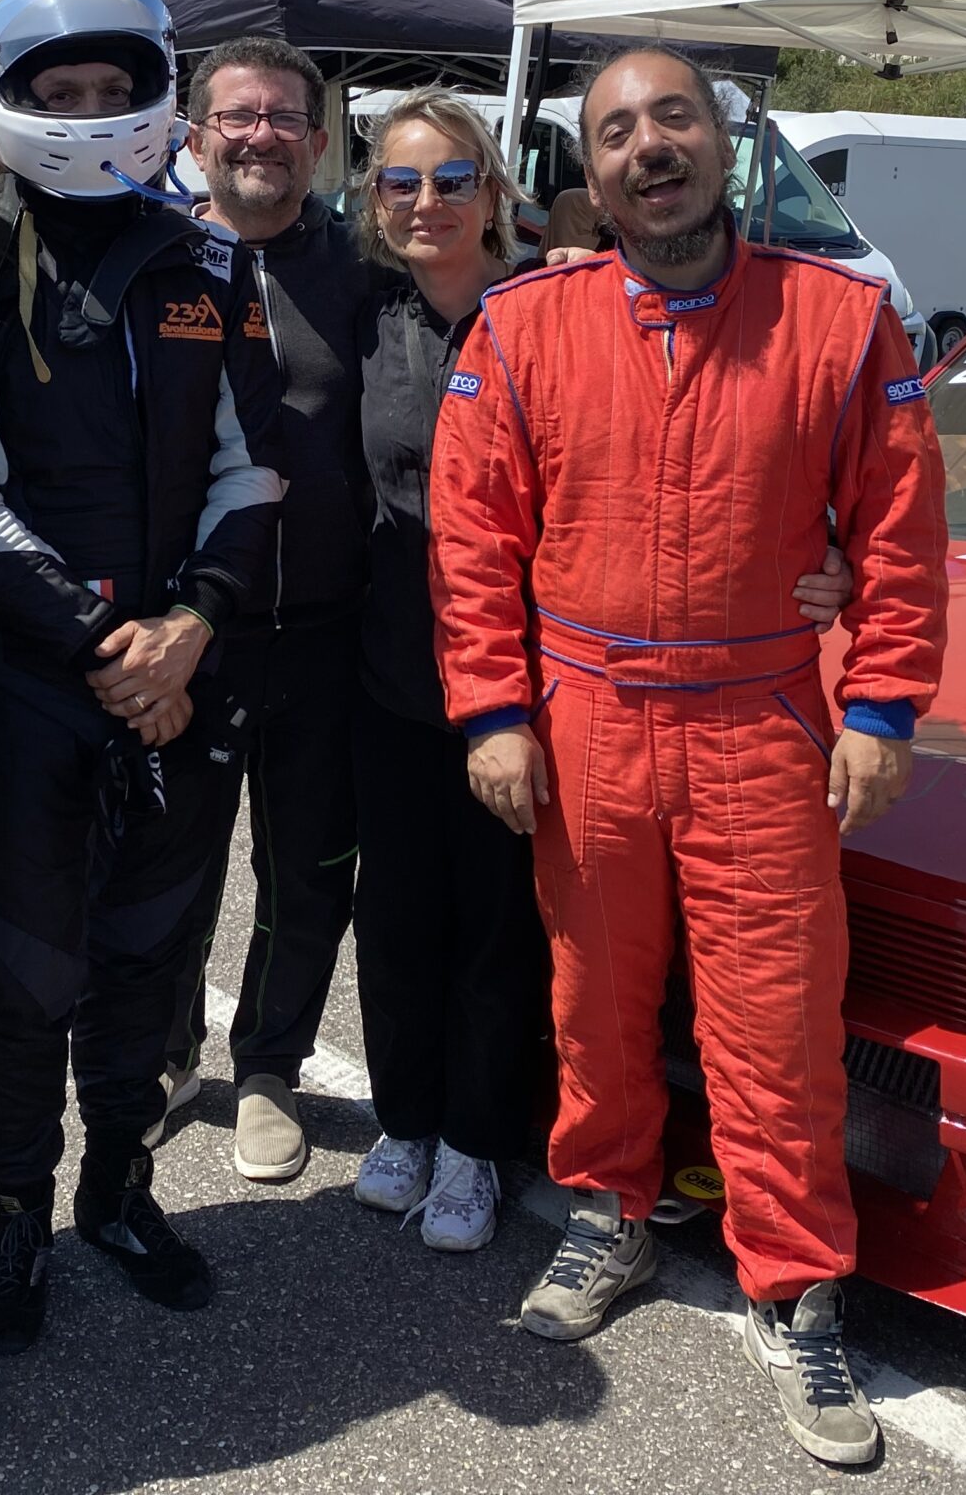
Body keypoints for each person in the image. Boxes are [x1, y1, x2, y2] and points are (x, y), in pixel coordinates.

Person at [427, 44, 947, 1468]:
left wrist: (882, 709)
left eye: (674, 120)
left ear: (724, 145)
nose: (648, 147)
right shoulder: (527, 326)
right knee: (594, 1003)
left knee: (776, 1025)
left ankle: (795, 1283)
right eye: (616, 132)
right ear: (589, 176)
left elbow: (899, 531)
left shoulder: (837, 321)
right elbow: (473, 539)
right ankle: (613, 1213)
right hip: (586, 720)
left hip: (760, 721)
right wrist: (493, 712)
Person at [351, 88, 854, 1258]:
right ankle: (441, 1136)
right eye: (401, 183)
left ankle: (493, 1148)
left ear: (496, 192)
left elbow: (846, 492)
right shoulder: (369, 312)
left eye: (453, 180)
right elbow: (455, 529)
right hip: (406, 680)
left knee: (535, 949)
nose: (427, 202)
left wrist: (829, 573)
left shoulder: (551, 303)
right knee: (431, 935)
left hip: (571, 692)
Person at [0, 0, 283, 1356]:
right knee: (22, 970)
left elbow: (255, 472)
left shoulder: (211, 266)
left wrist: (190, 630)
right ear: (6, 94)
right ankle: (14, 1210)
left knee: (150, 959)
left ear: (154, 87)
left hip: (186, 678)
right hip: (38, 690)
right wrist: (108, 650)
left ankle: (119, 1191)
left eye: (103, 86)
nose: (81, 110)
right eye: (54, 90)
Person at [157, 36, 371, 1186]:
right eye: (238, 116)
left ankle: (269, 1069)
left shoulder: (363, 271)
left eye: (285, 118)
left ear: (318, 142)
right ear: (194, 137)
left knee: (306, 873)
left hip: (327, 634)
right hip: (190, 632)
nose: (261, 136)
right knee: (173, 864)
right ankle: (165, 1055)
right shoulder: (152, 263)